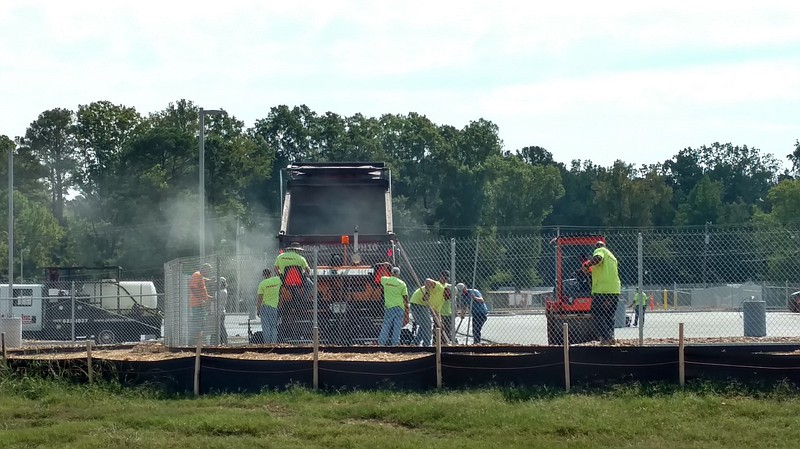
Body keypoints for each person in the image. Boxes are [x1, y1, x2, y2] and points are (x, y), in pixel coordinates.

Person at [582, 241, 621, 345]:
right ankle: (610, 337)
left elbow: (598, 258)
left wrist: (587, 265)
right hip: (615, 290)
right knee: (609, 315)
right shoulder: (612, 257)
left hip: (602, 290)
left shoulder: (600, 250)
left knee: (596, 313)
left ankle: (607, 337)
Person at [274, 242, 311, 340]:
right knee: (311, 285)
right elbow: (308, 270)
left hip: (285, 282)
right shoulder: (301, 258)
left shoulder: (280, 257)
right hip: (299, 283)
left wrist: (281, 277)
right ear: (297, 250)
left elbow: (275, 269)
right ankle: (303, 299)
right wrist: (304, 276)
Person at [378, 267, 409, 346]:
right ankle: (395, 343)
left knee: (386, 325)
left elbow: (380, 278)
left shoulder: (385, 280)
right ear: (398, 274)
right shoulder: (402, 283)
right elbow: (405, 297)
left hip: (389, 307)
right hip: (399, 307)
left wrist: (385, 266)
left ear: (391, 273)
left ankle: (381, 343)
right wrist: (407, 309)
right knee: (397, 327)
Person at [188, 263, 213, 344]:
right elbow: (193, 288)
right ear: (204, 269)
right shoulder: (197, 275)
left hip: (200, 305)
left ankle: (198, 342)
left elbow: (202, 290)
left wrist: (209, 298)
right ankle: (193, 342)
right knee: (197, 324)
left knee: (200, 323)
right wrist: (201, 300)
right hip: (197, 305)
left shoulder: (200, 276)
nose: (208, 273)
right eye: (208, 271)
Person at [256, 268, 282, 344]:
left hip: (264, 306)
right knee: (274, 326)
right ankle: (273, 343)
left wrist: (258, 310)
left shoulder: (262, 284)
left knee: (266, 327)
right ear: (270, 274)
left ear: (263, 275)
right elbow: (280, 276)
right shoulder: (277, 280)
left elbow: (259, 298)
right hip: (274, 306)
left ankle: (267, 344)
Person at [215, 277, 229, 345]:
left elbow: (215, 298)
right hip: (219, 311)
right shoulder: (221, 290)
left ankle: (224, 340)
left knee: (221, 326)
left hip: (220, 311)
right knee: (220, 326)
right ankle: (221, 340)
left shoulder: (223, 291)